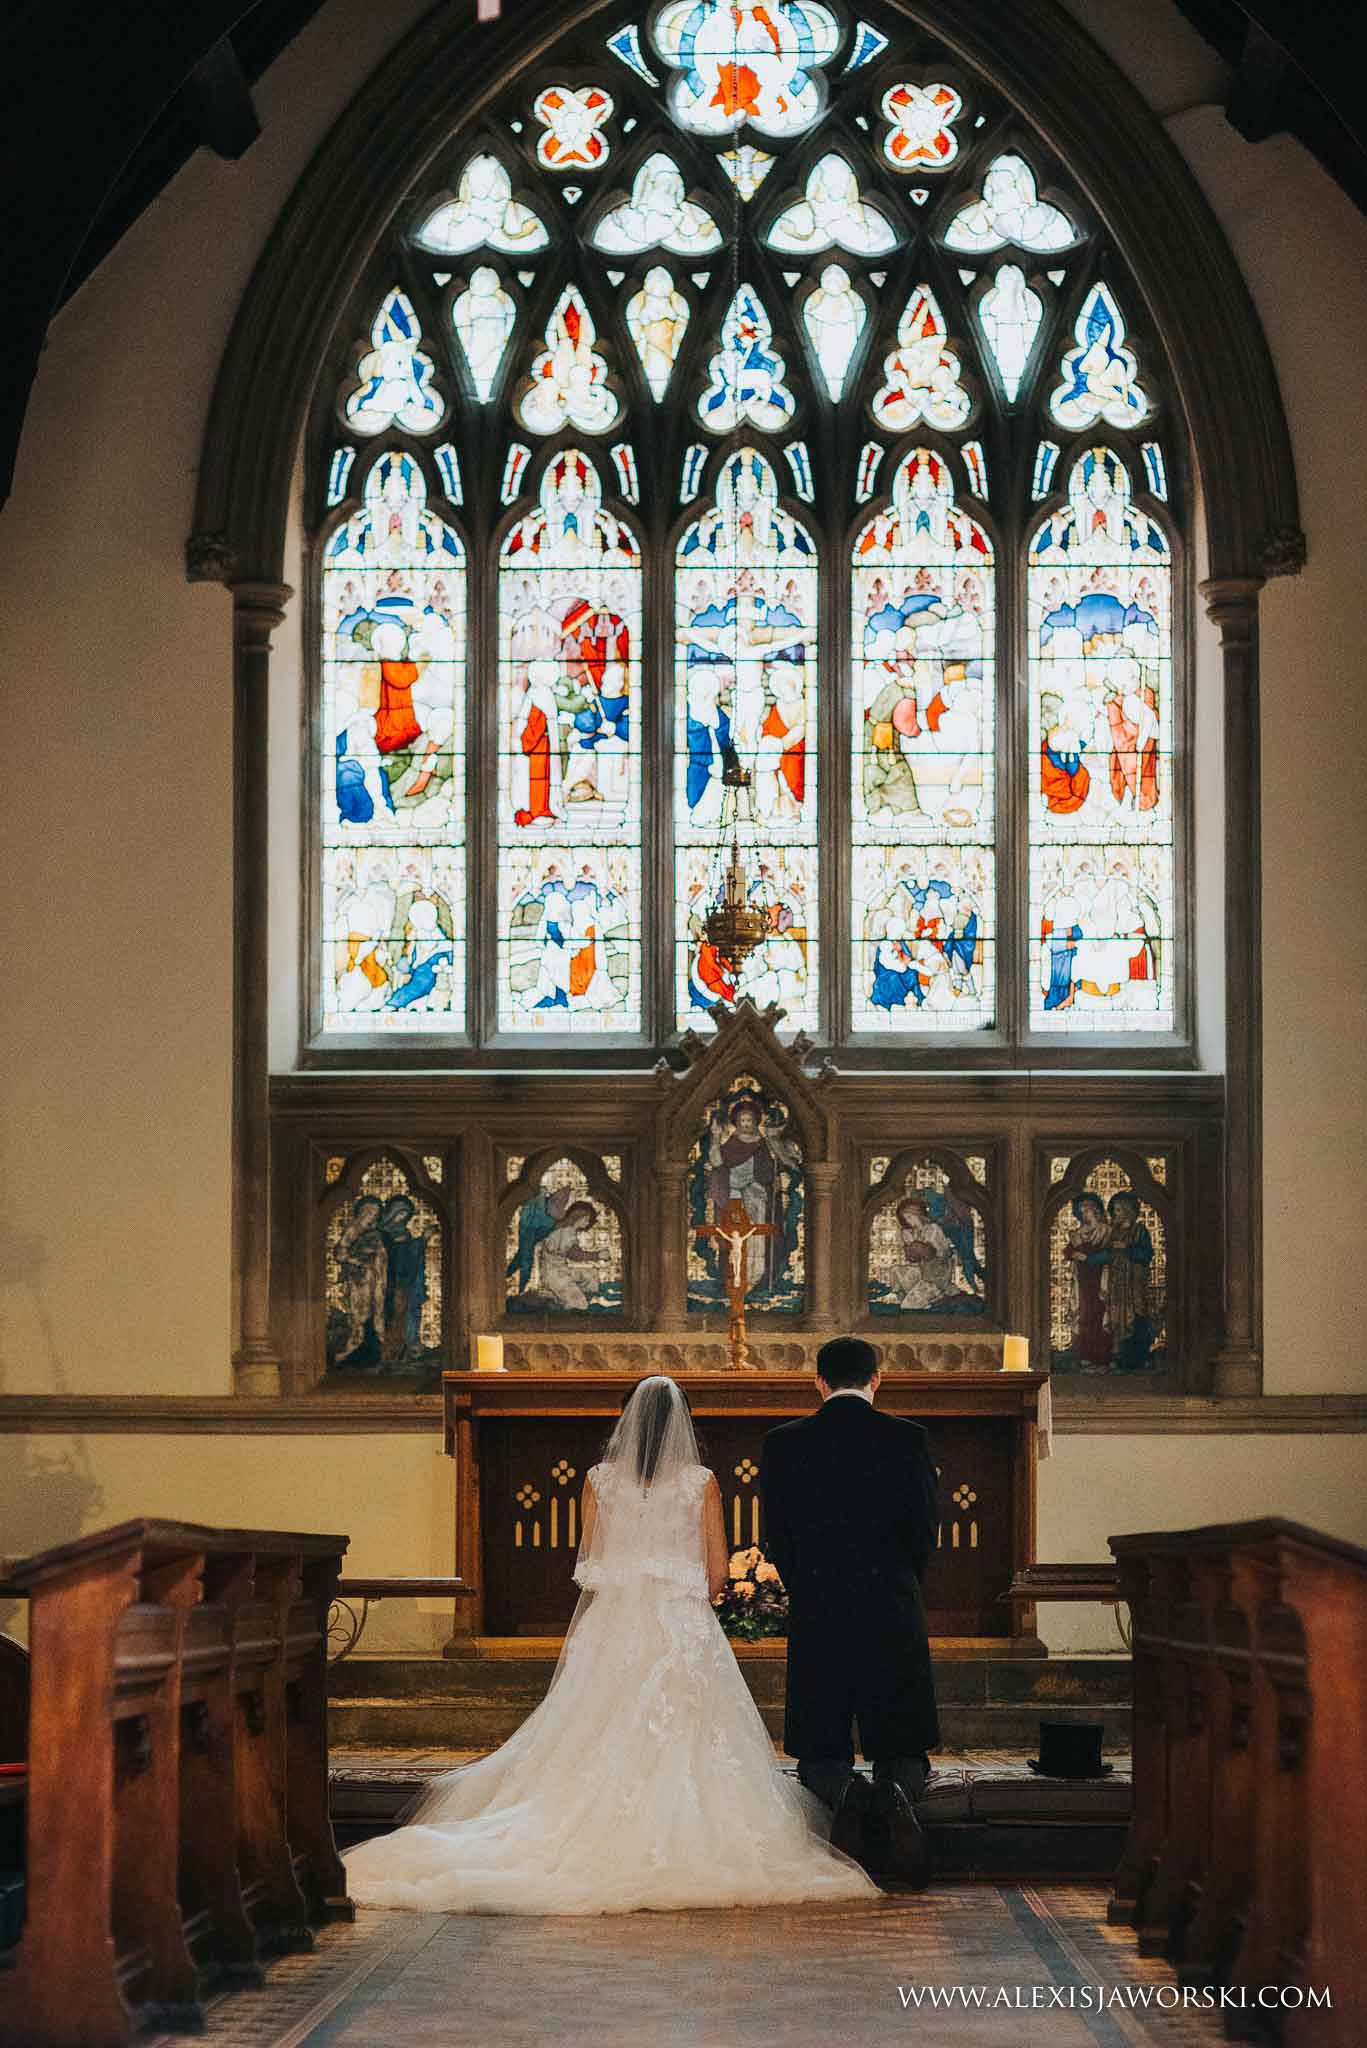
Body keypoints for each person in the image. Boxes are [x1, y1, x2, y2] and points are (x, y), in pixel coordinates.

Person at [344, 1376, 876, 1915]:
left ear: (626, 1425)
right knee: (690, 1734)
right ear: (681, 1427)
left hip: (614, 1625)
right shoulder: (701, 1483)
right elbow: (717, 1573)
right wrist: (683, 1593)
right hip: (679, 1625)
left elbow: (590, 1566)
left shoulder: (599, 1481)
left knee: (593, 1726)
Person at [759, 1337, 939, 1883]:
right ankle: (893, 1793)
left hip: (820, 1602)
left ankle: (845, 1792)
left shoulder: (784, 1443)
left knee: (820, 1739)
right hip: (891, 1600)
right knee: (902, 1736)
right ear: (876, 1380)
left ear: (818, 1382)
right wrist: (901, 1585)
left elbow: (778, 1537)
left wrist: (808, 1586)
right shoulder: (909, 1439)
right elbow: (923, 1533)